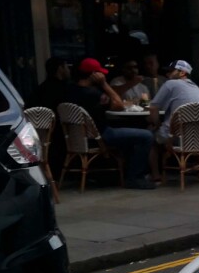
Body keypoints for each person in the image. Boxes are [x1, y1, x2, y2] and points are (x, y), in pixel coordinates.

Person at [65, 58, 156, 189]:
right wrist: (104, 85)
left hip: (78, 138)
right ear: (94, 75)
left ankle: (124, 171)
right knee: (146, 136)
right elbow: (119, 105)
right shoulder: (94, 94)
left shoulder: (70, 90)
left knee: (130, 136)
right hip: (101, 135)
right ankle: (135, 177)